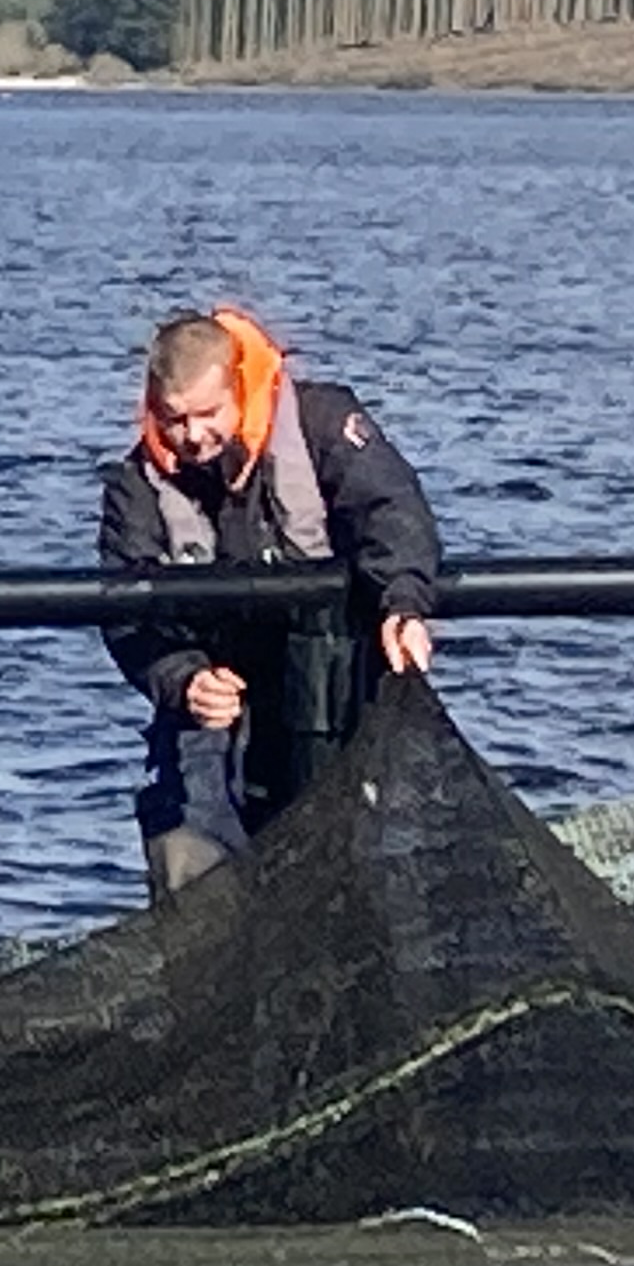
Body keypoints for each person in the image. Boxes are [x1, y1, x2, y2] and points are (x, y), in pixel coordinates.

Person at [97, 307, 439, 896]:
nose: (193, 435)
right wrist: (182, 677)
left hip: (329, 689)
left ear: (239, 388)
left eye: (208, 415)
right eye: (175, 419)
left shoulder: (324, 423)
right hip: (213, 706)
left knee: (361, 857)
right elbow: (126, 610)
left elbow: (394, 512)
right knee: (187, 849)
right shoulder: (135, 486)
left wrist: (403, 605)